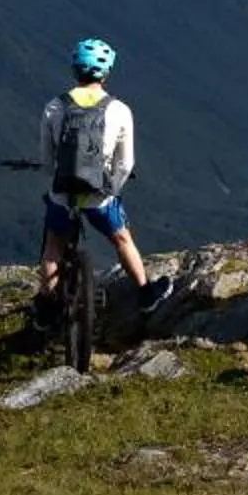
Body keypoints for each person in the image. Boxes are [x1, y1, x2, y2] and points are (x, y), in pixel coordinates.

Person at [35, 37, 170, 322]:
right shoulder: (119, 110)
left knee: (52, 247)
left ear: (75, 70)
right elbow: (125, 163)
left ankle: (45, 309)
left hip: (63, 194)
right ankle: (146, 294)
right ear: (107, 73)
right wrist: (111, 189)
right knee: (121, 239)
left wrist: (55, 182)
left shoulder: (53, 107)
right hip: (99, 194)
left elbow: (47, 160)